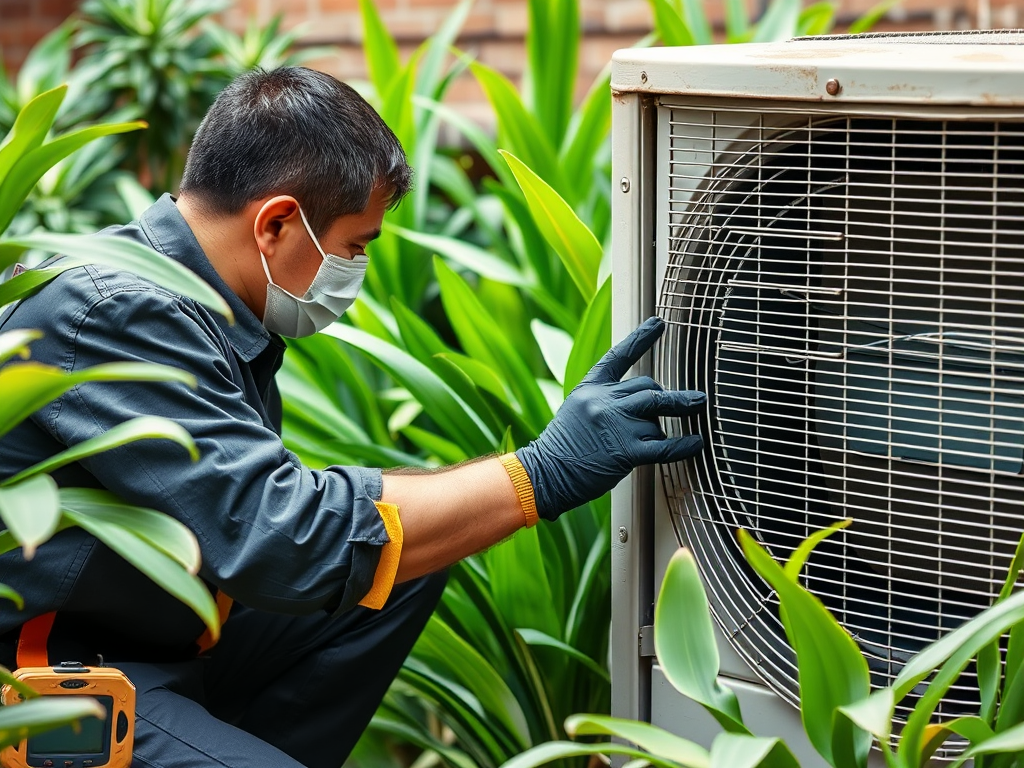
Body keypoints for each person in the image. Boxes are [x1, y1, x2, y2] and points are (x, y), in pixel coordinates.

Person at [0, 67, 705, 768]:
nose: (354, 273)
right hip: (44, 685)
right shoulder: (116, 309)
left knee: (406, 564)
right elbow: (280, 537)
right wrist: (538, 476)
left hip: (154, 637)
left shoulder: (191, 302)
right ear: (276, 223)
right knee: (366, 544)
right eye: (354, 246)